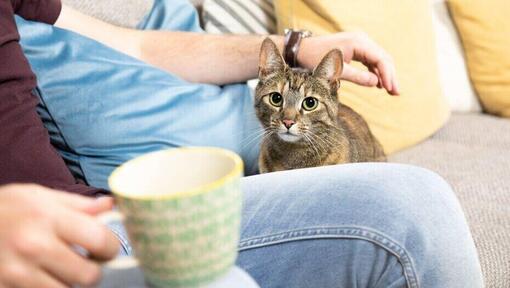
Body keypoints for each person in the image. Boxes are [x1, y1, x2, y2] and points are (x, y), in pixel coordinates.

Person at [0, 0, 483, 287]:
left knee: (419, 203)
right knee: (411, 209)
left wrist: (296, 48)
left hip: (97, 220)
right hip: (53, 241)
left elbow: (140, 47)